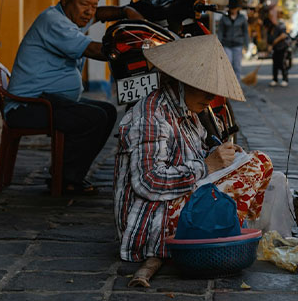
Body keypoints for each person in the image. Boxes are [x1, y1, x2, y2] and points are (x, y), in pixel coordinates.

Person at [114, 35, 272, 286]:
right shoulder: (152, 115)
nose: (211, 97)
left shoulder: (187, 111)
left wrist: (222, 154)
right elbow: (148, 181)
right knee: (254, 167)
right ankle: (221, 232)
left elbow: (196, 152)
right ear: (181, 82)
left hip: (179, 199)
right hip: (154, 221)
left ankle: (226, 228)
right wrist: (208, 165)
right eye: (204, 88)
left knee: (258, 162)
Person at [5, 0, 141, 195]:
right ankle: (65, 177)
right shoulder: (53, 21)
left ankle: (69, 172)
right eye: (84, 4)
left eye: (93, 4)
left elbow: (99, 15)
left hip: (50, 101)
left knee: (106, 111)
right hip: (28, 107)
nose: (89, 11)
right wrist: (136, 48)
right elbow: (93, 50)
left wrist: (125, 12)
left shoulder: (69, 18)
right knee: (93, 118)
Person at [216, 0, 249, 77]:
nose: (233, 10)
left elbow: (245, 32)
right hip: (226, 44)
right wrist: (219, 44)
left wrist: (246, 44)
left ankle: (237, 86)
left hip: (238, 44)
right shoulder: (224, 18)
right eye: (231, 8)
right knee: (228, 64)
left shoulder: (242, 18)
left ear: (237, 8)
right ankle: (229, 85)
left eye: (234, 8)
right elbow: (220, 32)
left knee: (237, 65)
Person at [266, 17, 289, 87]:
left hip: (282, 48)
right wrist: (269, 47)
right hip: (275, 49)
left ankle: (285, 79)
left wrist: (275, 41)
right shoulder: (269, 29)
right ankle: (275, 79)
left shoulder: (280, 26)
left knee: (282, 64)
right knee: (275, 64)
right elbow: (269, 40)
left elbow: (284, 35)